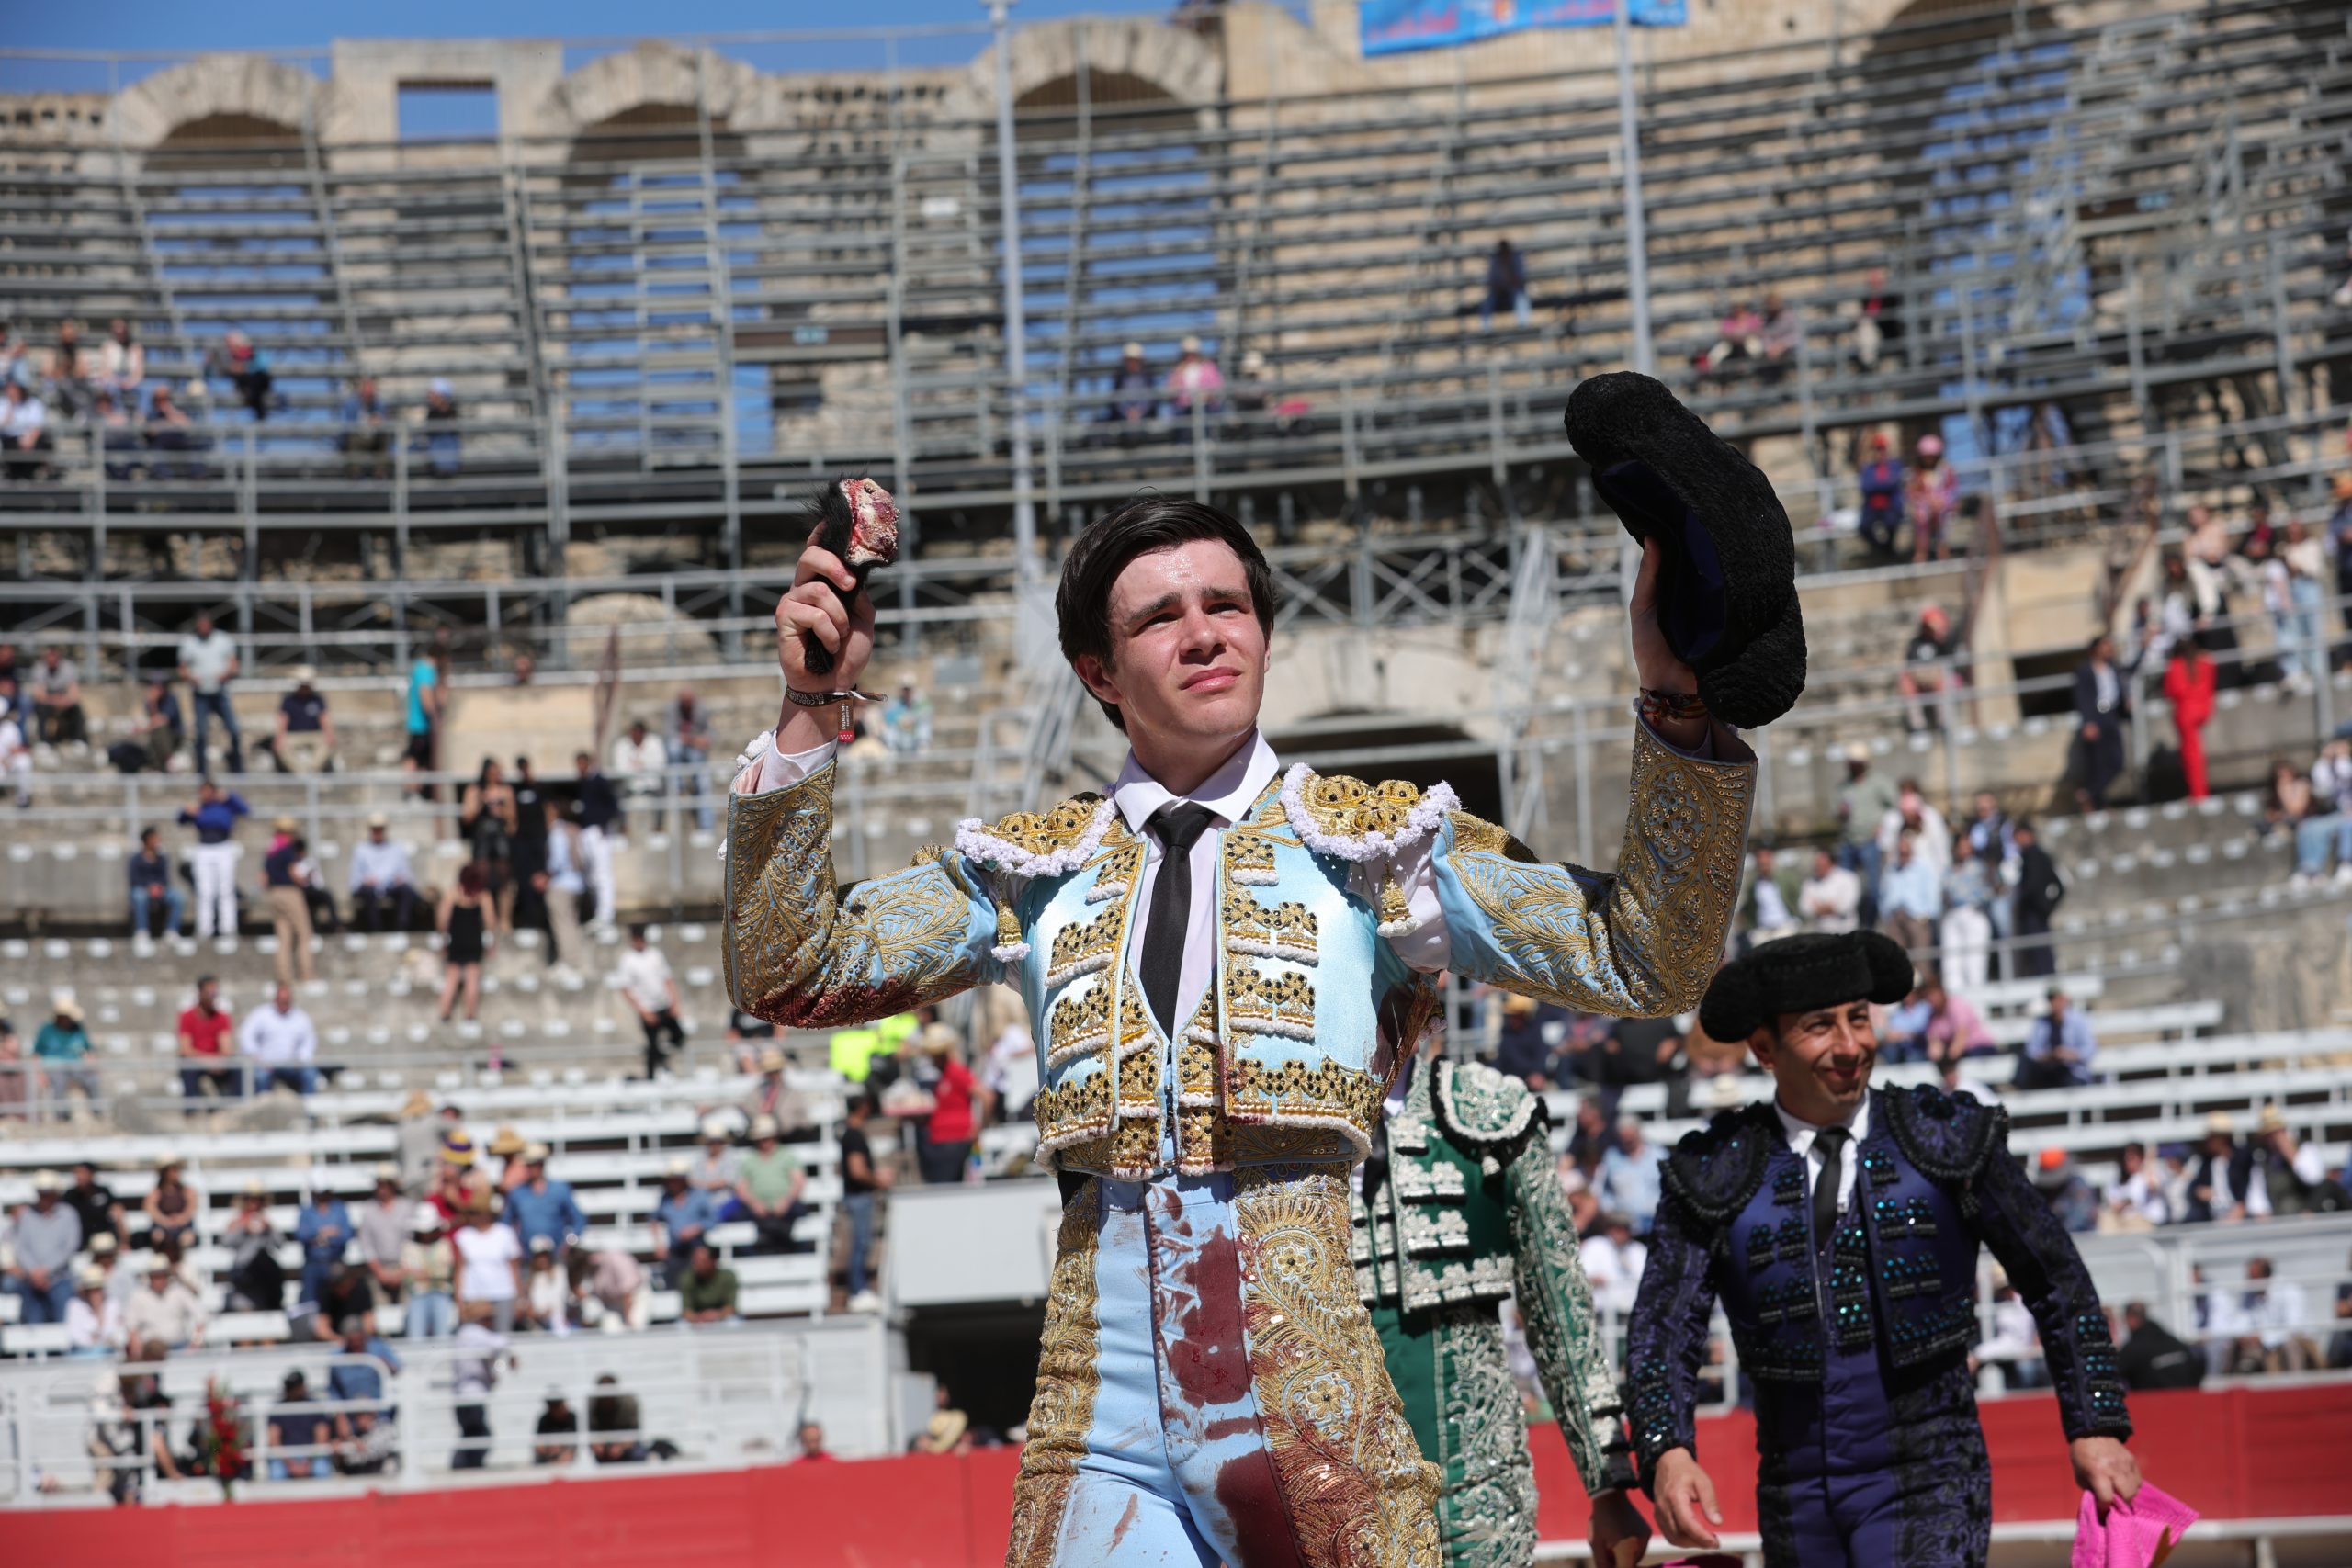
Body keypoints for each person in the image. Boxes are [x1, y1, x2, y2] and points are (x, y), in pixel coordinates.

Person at [724, 479, 1759, 1567]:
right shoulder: (1033, 870)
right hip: (1098, 1425)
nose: (1204, 633)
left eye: (1227, 605)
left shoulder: (1374, 844)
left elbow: (1643, 955)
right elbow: (794, 974)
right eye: (1158, 617)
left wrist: (1676, 701)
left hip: (1318, 1413)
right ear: (1097, 673)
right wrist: (812, 713)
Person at [1626, 931, 2139, 1567]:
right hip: (1793, 1488)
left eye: (1859, 1019)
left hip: (1931, 1470)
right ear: (1764, 1046)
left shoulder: (1945, 1136)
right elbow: (1663, 1325)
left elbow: (2055, 1277)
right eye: (1820, 1026)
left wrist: (2096, 1423)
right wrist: (1667, 1449)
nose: (1850, 1045)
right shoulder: (1715, 1171)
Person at [1352, 1028, 1650, 1568]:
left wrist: (1609, 1486)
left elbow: (1559, 1307)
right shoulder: (1279, 1118)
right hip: (1325, 1495)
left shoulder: (1491, 1112)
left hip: (1477, 1493)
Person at [5, 1170, 82, 1323]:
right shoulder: (27, 1215)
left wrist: (46, 1269)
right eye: (41, 1192)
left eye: (48, 1192)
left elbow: (70, 1246)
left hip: (60, 1279)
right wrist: (34, 1271)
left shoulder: (68, 1214)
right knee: (33, 1326)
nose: (44, 1196)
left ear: (55, 1193)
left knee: (64, 1324)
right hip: (32, 1281)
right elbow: (20, 1246)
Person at [178, 779, 250, 939]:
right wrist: (186, 811)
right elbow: (181, 820)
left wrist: (230, 797)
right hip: (204, 848)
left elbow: (246, 810)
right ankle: (205, 928)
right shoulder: (199, 808)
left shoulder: (225, 805)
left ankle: (228, 928)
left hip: (223, 846)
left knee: (225, 889)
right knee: (205, 891)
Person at [1835, 745, 1898, 924]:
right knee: (1845, 887)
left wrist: (1882, 825)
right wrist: (1842, 812)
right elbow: (1835, 813)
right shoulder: (1843, 787)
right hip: (1848, 842)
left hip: (1871, 841)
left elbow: (1894, 804)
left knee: (1873, 889)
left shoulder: (1878, 782)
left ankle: (1870, 924)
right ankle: (1851, 925)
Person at [175, 612, 243, 776]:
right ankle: (201, 770)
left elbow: (234, 665)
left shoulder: (223, 640)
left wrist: (225, 675)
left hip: (220, 692)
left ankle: (237, 766)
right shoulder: (189, 643)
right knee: (201, 733)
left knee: (234, 730)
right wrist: (192, 678)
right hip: (200, 694)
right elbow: (182, 669)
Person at [2070, 634, 2131, 811]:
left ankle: (2089, 794)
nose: (2109, 649)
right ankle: (2097, 801)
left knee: (2117, 761)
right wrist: (2088, 722)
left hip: (2111, 715)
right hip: (2096, 717)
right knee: (2097, 763)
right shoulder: (2085, 670)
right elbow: (2082, 697)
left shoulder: (2113, 668)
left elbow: (2130, 671)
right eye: (2105, 646)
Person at [838, 1093, 887, 1311]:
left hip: (856, 1196)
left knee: (860, 1244)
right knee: (860, 1245)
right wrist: (878, 1181)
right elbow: (857, 1170)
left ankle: (858, 1289)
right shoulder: (854, 1135)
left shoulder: (849, 1134)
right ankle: (858, 1290)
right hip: (859, 1197)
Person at [915, 1023, 980, 1184]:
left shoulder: (956, 1072)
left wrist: (977, 1128)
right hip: (941, 1140)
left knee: (945, 1186)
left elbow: (984, 1095)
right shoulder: (942, 1076)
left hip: (954, 1140)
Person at [460, 758, 519, 933]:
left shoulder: (506, 790)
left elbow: (513, 818)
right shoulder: (474, 790)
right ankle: (485, 920)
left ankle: (504, 921)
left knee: (505, 878)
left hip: (500, 837)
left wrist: (500, 809)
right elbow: (467, 817)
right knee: (481, 877)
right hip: (482, 837)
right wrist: (481, 802)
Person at [735, 1114, 809, 1254]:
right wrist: (754, 1204)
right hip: (757, 1210)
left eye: (767, 1137)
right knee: (738, 1216)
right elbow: (741, 1188)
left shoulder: (786, 1155)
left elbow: (799, 1182)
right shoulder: (750, 1159)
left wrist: (786, 1201)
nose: (764, 1142)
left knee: (796, 1215)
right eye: (761, 1138)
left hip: (786, 1208)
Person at [618, 924, 684, 1077]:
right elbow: (626, 989)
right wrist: (643, 1011)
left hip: (664, 1005)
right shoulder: (627, 960)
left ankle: (666, 1062)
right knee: (652, 1045)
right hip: (647, 1008)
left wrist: (674, 1002)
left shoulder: (655, 954)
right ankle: (652, 1076)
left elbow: (668, 979)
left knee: (679, 1036)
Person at [449, 1299, 509, 1469]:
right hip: (470, 1396)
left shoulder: (469, 1334)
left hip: (468, 1395)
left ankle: (465, 1467)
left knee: (473, 1435)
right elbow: (501, 1342)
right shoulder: (471, 1332)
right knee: (478, 1435)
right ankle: (465, 1468)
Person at [452, 1197, 524, 1335]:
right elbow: (459, 1270)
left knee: (503, 1339)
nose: (471, 1216)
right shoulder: (463, 1236)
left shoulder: (505, 1233)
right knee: (474, 1340)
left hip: (503, 1294)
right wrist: (459, 1300)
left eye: (475, 1212)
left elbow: (514, 1269)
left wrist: (519, 1299)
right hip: (473, 1296)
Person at [503, 1144, 585, 1260]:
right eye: (530, 1164)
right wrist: (515, 1246)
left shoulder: (559, 1190)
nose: (533, 1168)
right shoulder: (517, 1193)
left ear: (543, 1164)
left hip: (555, 1258)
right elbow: (506, 1224)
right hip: (527, 1260)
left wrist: (569, 1243)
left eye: (536, 1164)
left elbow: (578, 1220)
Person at [261, 818, 317, 986]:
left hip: (274, 893)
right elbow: (294, 874)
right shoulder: (287, 850)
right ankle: (306, 973)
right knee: (304, 933)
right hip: (289, 892)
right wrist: (305, 879)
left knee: (284, 938)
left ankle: (284, 977)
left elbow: (263, 878)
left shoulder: (271, 851)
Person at [2160, 633, 2217, 802]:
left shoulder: (2176, 665)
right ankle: (2199, 792)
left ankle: (2198, 793)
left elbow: (2170, 691)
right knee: (2195, 755)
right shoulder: (2204, 663)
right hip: (2203, 710)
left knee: (2191, 757)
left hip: (2186, 714)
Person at [537, 797, 588, 976]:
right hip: (577, 883)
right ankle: (572, 959)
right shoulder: (572, 830)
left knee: (562, 923)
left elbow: (556, 863)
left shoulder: (557, 832)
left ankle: (570, 961)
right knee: (571, 922)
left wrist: (545, 877)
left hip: (562, 884)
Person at [239, 981, 319, 1095]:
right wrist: (256, 1056)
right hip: (266, 1064)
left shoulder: (301, 1018)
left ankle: (307, 1110)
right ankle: (262, 1110)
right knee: (260, 1076)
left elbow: (309, 1042)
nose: (284, 1003)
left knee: (310, 1074)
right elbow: (246, 1035)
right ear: (275, 998)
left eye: (286, 1000)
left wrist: (301, 1058)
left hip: (293, 1065)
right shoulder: (261, 1014)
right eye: (281, 999)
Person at [435, 863, 492, 1024]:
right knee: (472, 979)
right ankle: (470, 1016)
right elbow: (490, 921)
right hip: (474, 940)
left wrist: (443, 939)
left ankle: (444, 1014)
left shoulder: (452, 894)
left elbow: (442, 922)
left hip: (456, 940)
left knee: (451, 979)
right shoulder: (483, 895)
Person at [2008, 819, 2063, 978]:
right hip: (2036, 913)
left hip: (2034, 914)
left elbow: (2054, 885)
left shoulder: (2034, 856)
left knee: (2041, 955)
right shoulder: (2032, 856)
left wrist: (2044, 906)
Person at [347, 812, 417, 933]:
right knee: (368, 892)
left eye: (380, 829)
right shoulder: (361, 849)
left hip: (391, 887)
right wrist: (365, 881)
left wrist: (401, 879)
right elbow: (354, 879)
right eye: (375, 829)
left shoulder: (396, 848)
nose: (377, 832)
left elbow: (407, 875)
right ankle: (375, 929)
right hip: (370, 889)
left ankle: (402, 928)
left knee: (406, 891)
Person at [1875, 831, 1942, 955]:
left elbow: (1932, 893)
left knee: (1921, 957)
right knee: (1895, 960)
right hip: (1894, 917)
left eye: (1906, 853)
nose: (1903, 856)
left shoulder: (1923, 868)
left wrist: (1927, 916)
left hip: (1917, 917)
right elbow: (1883, 894)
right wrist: (1886, 914)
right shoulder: (1890, 869)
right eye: (1901, 853)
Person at [2017, 986, 2097, 1090]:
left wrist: (2069, 1054)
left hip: (2072, 1070)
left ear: (2065, 1000)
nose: (2056, 1003)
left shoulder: (2078, 1020)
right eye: (2052, 999)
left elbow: (2090, 1048)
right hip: (2048, 1070)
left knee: (2071, 1082)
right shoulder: (2042, 1022)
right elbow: (2031, 1050)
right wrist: (2049, 1055)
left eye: (2058, 999)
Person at [123, 1251, 207, 1350]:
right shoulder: (139, 1296)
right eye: (155, 1276)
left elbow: (201, 1316)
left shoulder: (179, 1291)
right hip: (150, 1351)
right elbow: (131, 1326)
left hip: (179, 1347)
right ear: (149, 1277)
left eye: (162, 1275)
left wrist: (196, 1342)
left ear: (167, 1276)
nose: (159, 1280)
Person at [574, 750, 620, 928]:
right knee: (592, 876)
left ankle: (606, 914)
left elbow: (613, 805)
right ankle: (598, 912)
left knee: (603, 874)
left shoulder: (599, 781)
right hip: (586, 833)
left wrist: (604, 823)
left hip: (599, 832)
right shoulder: (582, 783)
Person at [175, 976, 238, 1103]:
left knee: (237, 1066)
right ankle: (190, 1113)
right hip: (196, 1062)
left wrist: (217, 1061)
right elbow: (185, 1049)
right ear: (200, 993)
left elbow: (226, 1048)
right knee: (187, 1066)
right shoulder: (186, 1016)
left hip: (216, 1062)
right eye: (209, 992)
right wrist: (208, 1061)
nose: (212, 996)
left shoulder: (222, 1017)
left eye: (215, 993)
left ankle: (237, 1108)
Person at [2116, 1303, 2203, 1391]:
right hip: (2187, 1400)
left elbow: (2114, 1372)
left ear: (2130, 1319)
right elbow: (2196, 1369)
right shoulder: (2175, 1342)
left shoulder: (2134, 1347)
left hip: (2152, 1402)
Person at [33, 998, 98, 1113]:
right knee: (59, 1082)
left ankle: (97, 1111)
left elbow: (89, 1050)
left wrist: (91, 1065)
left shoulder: (78, 1028)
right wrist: (40, 1073)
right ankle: (61, 1115)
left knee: (92, 1080)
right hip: (54, 1067)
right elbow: (37, 1053)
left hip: (75, 1065)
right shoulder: (47, 1030)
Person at [1895, 605, 1953, 734]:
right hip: (1918, 676)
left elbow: (1948, 659)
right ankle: (1918, 727)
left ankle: (1944, 724)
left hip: (1936, 676)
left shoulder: (1941, 643)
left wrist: (1940, 636)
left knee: (1943, 682)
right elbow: (1909, 663)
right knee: (1906, 683)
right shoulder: (1915, 642)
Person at [402, 1208, 458, 1339]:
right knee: (416, 1335)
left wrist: (423, 1274)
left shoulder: (444, 1245)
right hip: (418, 1294)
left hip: (441, 1293)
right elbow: (408, 1275)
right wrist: (433, 1273)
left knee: (443, 1333)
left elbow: (447, 1271)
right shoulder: (408, 1246)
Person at [1905, 433, 1957, 563]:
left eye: (1931, 456)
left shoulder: (1946, 470)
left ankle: (1942, 552)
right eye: (1926, 456)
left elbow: (1952, 491)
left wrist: (1941, 502)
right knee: (1921, 517)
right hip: (1923, 508)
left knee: (1943, 517)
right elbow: (1912, 493)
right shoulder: (1916, 473)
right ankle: (1921, 553)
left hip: (1942, 507)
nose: (1929, 459)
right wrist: (1927, 501)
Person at [669, 687, 715, 831]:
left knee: (703, 782)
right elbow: (669, 734)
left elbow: (708, 736)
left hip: (696, 751)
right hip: (681, 749)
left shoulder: (701, 710)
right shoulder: (672, 710)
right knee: (673, 747)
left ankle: (706, 827)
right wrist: (692, 739)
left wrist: (698, 740)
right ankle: (678, 786)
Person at [610, 719, 668, 830]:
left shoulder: (655, 743)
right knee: (616, 794)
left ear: (644, 733)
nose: (635, 736)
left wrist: (639, 765)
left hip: (651, 784)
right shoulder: (622, 745)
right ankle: (622, 829)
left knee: (663, 792)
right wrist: (642, 766)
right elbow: (619, 769)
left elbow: (660, 765)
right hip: (629, 785)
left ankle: (658, 829)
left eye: (638, 733)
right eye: (633, 733)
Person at [127, 826, 185, 939]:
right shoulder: (136, 859)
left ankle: (172, 931)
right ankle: (142, 931)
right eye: (155, 838)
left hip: (160, 890)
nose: (158, 841)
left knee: (178, 897)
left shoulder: (161, 858)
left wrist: (159, 887)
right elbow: (134, 879)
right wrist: (148, 887)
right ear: (147, 840)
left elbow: (164, 878)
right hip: (142, 890)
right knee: (139, 896)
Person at [1855, 433, 1905, 556]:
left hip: (1891, 506)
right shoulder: (1868, 468)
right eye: (1877, 449)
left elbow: (1895, 483)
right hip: (1872, 507)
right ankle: (1884, 550)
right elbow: (1866, 487)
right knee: (1863, 528)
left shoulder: (1895, 465)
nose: (1880, 452)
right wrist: (1885, 484)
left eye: (1882, 449)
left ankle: (1888, 551)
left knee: (1892, 522)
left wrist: (1878, 485)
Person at [29, 645, 86, 748]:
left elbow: (74, 694)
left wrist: (62, 700)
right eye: (48, 656)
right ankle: (43, 742)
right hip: (49, 703)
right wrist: (56, 700)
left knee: (76, 709)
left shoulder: (69, 668)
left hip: (64, 703)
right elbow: (39, 695)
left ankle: (78, 740)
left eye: (53, 656)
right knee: (40, 708)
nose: (51, 659)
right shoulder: (39, 668)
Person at [402, 647, 440, 798]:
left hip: (417, 724)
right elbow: (425, 695)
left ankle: (416, 790)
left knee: (419, 758)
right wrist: (435, 715)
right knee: (416, 758)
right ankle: (412, 790)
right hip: (421, 725)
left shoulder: (418, 667)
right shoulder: (426, 670)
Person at [1797, 846, 1861, 934]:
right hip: (1820, 933)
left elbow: (1845, 907)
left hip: (1846, 933)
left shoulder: (1848, 878)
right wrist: (1832, 906)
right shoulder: (1810, 883)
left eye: (1822, 865)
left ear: (1832, 864)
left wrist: (1818, 907)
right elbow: (1804, 908)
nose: (1818, 868)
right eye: (1817, 865)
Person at [1, 378, 53, 479]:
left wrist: (29, 438)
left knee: (42, 443)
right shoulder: (3, 404)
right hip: (9, 439)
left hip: (30, 439)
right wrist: (10, 409)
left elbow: (37, 424)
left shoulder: (33, 403)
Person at [678, 1242, 741, 1325]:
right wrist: (698, 1318)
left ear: (713, 1261)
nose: (698, 1265)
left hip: (722, 1318)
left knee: (734, 1323)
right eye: (695, 1261)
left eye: (702, 1261)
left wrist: (716, 1315)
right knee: (681, 1326)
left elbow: (731, 1307)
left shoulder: (728, 1276)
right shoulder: (687, 1278)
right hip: (696, 1320)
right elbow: (686, 1310)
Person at [339, 377, 390, 479]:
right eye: (366, 394)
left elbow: (384, 421)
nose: (369, 397)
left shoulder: (379, 404)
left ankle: (380, 473)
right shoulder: (351, 404)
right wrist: (367, 422)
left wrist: (379, 422)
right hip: (357, 438)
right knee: (352, 437)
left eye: (371, 394)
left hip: (373, 438)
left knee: (384, 435)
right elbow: (348, 426)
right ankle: (355, 473)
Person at [131, 676, 184, 774]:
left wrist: (143, 729)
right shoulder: (150, 702)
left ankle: (169, 759)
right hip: (157, 736)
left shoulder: (171, 699)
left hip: (174, 736)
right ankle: (156, 766)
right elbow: (152, 719)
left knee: (159, 729)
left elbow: (162, 720)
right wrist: (152, 703)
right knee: (154, 733)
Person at [588, 1374, 647, 1461]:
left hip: (625, 1442)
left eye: (609, 1394)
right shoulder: (591, 1405)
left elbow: (634, 1432)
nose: (607, 1398)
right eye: (604, 1395)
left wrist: (621, 1446)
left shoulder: (628, 1403)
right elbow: (590, 1432)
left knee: (639, 1453)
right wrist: (597, 1444)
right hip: (602, 1443)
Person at [1163, 335, 1223, 414]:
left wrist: (1207, 395)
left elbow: (1218, 387)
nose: (1190, 356)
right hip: (1184, 408)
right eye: (1187, 354)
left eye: (1192, 353)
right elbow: (1170, 391)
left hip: (1207, 407)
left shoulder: (1208, 367)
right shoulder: (1177, 371)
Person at [1481, 239, 1531, 331]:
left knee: (1520, 297)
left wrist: (1507, 269)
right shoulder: (1494, 261)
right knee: (1487, 302)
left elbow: (1519, 281)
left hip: (1513, 291)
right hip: (1498, 292)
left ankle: (1523, 324)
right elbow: (1491, 282)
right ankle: (1486, 329)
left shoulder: (1516, 259)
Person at [879, 681, 933, 756]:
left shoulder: (921, 702)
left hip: (914, 737)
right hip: (900, 737)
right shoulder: (894, 703)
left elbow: (927, 715)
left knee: (924, 726)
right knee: (888, 729)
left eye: (909, 689)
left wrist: (913, 719)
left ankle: (923, 748)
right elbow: (888, 718)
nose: (907, 692)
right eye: (905, 689)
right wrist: (900, 719)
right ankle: (891, 750)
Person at [535, 1388, 581, 1465]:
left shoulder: (573, 1418)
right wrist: (549, 1450)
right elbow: (538, 1446)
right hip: (549, 1458)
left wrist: (564, 1450)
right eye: (552, 1406)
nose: (555, 1409)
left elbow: (580, 1443)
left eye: (557, 1406)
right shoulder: (544, 1420)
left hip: (569, 1456)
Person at [0, 684, 28, 807]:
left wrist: (8, 758)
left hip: (8, 762)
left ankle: (23, 798)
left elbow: (17, 748)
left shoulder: (10, 728)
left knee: (24, 761)